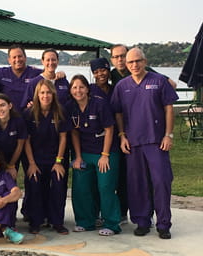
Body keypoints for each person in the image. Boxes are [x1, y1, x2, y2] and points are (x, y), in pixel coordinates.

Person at [111, 47, 178, 239]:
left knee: (161, 181)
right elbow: (118, 112)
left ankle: (164, 224)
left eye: (137, 61)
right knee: (137, 184)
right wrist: (122, 135)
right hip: (133, 143)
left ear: (145, 61)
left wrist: (168, 135)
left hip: (156, 141)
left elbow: (168, 108)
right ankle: (142, 221)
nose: (134, 65)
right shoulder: (122, 86)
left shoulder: (159, 81)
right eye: (130, 62)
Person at [66, 74, 121, 236]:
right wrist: (78, 156)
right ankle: (86, 221)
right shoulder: (71, 106)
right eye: (74, 87)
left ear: (87, 89)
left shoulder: (99, 104)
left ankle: (111, 223)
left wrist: (105, 155)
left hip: (105, 151)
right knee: (81, 187)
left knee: (105, 187)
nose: (78, 91)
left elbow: (110, 129)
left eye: (81, 87)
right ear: (70, 90)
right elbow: (74, 132)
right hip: (84, 152)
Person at [23, 79, 70, 235]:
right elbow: (26, 140)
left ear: (53, 94)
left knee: (58, 185)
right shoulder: (29, 113)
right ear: (37, 94)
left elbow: (63, 138)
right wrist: (31, 163)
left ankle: (56, 222)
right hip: (35, 159)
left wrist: (59, 162)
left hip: (55, 158)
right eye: (42, 92)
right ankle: (36, 221)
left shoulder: (60, 112)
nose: (45, 95)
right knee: (35, 185)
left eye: (48, 92)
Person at [89, 58, 128, 225]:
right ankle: (97, 213)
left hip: (114, 141)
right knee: (97, 183)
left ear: (108, 70)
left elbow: (121, 112)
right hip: (92, 143)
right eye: (96, 71)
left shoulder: (116, 89)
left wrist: (122, 135)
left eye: (103, 70)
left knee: (117, 180)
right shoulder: (89, 90)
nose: (100, 74)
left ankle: (120, 214)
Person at [0, 93, 27, 180]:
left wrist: (11, 166)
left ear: (10, 106)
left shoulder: (18, 121)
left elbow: (20, 146)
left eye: (2, 105)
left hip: (13, 160)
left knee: (10, 183)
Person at [0, 44, 42, 111]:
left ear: (25, 57)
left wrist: (58, 74)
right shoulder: (1, 73)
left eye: (20, 56)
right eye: (14, 57)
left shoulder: (36, 73)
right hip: (9, 117)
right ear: (9, 60)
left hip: (29, 115)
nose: (17, 59)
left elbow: (49, 75)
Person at [110, 44, 177, 89]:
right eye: (116, 57)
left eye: (123, 56)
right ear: (112, 60)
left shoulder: (142, 70)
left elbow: (172, 84)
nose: (120, 59)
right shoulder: (113, 74)